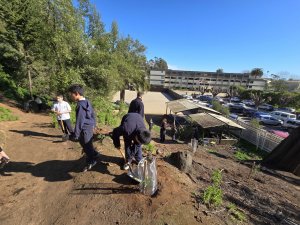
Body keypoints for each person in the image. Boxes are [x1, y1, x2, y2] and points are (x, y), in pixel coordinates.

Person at [68, 84, 100, 172]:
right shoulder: (87, 101)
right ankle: (94, 155)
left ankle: (92, 161)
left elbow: (79, 121)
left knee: (86, 146)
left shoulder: (80, 105)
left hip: (84, 129)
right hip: (89, 127)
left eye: (71, 94)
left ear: (77, 93)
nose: (71, 96)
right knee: (87, 145)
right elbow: (93, 114)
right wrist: (94, 125)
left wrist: (76, 134)